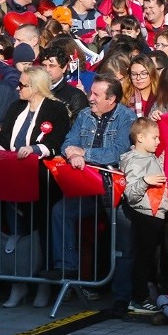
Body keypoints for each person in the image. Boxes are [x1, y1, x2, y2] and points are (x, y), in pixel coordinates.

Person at [45, 75, 135, 281]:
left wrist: (84, 153)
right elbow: (68, 141)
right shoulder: (85, 115)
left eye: (96, 94)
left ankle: (124, 291)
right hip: (86, 185)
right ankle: (66, 267)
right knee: (60, 212)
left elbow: (117, 152)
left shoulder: (126, 118)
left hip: (114, 190)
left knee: (122, 241)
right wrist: (72, 153)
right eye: (90, 92)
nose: (90, 97)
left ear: (111, 99)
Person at [0, 67, 71, 308]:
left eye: (23, 85)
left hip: (41, 179)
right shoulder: (16, 107)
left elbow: (56, 141)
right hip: (11, 176)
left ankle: (42, 283)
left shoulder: (56, 109)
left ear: (36, 87)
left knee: (41, 230)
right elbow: (4, 139)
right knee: (15, 230)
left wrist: (35, 150)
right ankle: (18, 283)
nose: (18, 88)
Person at [119, 117, 168, 314]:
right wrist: (145, 181)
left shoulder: (150, 157)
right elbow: (131, 193)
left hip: (155, 214)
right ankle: (138, 299)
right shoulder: (134, 161)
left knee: (150, 259)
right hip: (145, 214)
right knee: (143, 259)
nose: (158, 141)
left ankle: (144, 295)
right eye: (155, 138)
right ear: (140, 137)